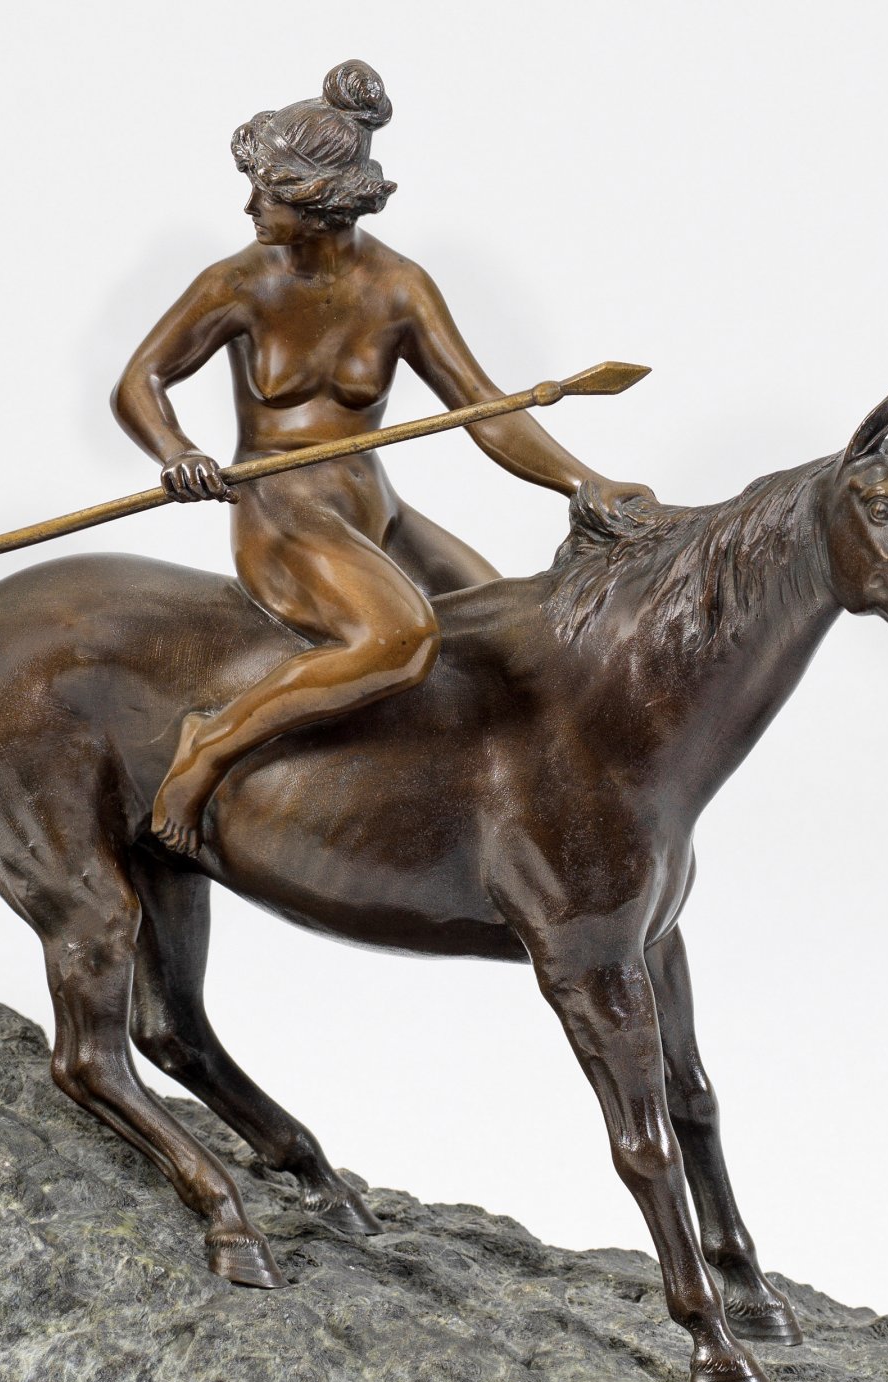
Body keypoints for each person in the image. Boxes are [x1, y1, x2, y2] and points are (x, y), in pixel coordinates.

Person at [112, 59, 647, 855]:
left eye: (267, 193)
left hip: (374, 506)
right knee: (400, 639)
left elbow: (485, 410)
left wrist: (583, 482)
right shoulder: (237, 284)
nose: (251, 208)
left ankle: (501, 815)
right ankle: (209, 747)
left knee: (517, 637)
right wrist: (177, 450)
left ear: (319, 203)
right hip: (283, 509)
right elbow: (139, 382)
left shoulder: (399, 287)